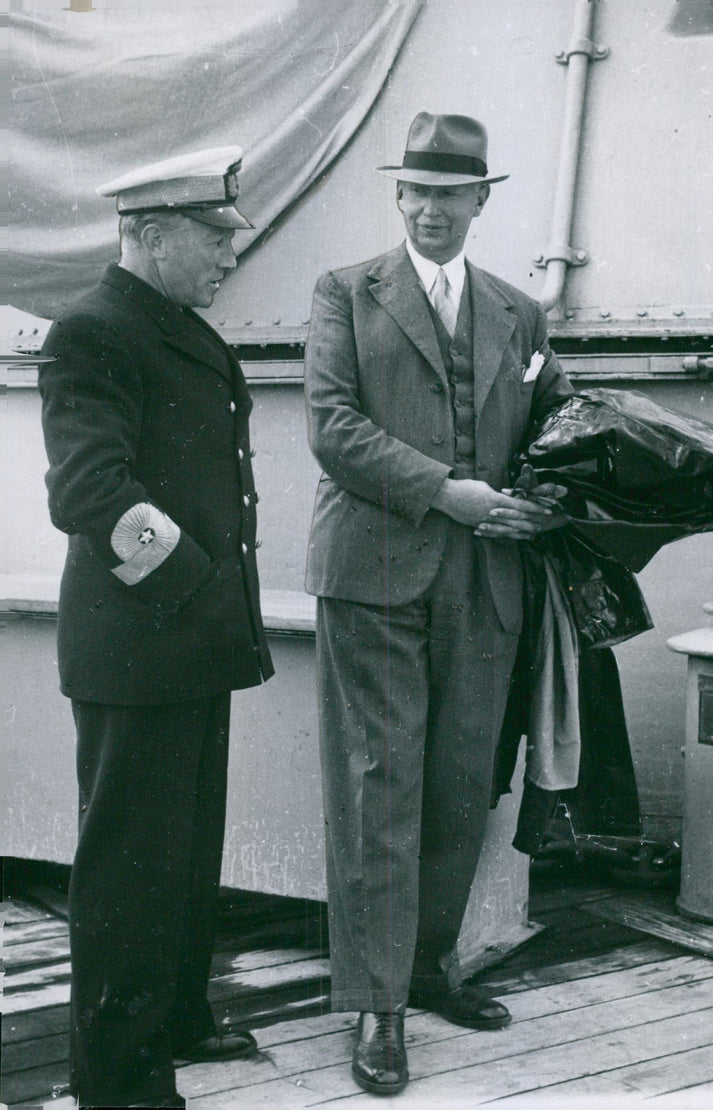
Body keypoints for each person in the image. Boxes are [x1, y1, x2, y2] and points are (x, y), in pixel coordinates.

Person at [304, 112, 573, 1096]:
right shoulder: (344, 294)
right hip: (372, 567)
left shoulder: (518, 313)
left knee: (462, 775)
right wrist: (442, 490)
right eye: (412, 190)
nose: (426, 207)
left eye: (446, 192)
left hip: (485, 577)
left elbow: (559, 430)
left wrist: (539, 504)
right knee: (380, 779)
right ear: (399, 196)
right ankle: (375, 1007)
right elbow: (330, 428)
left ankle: (426, 966)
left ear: (478, 200)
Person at [38, 146, 273, 1109]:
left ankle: (176, 1022)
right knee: (131, 873)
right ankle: (122, 1083)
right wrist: (194, 587)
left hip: (191, 644)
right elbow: (89, 488)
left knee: (181, 856)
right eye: (214, 238)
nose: (229, 256)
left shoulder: (178, 326)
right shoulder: (94, 330)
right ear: (151, 234)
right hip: (142, 645)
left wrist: (210, 609)